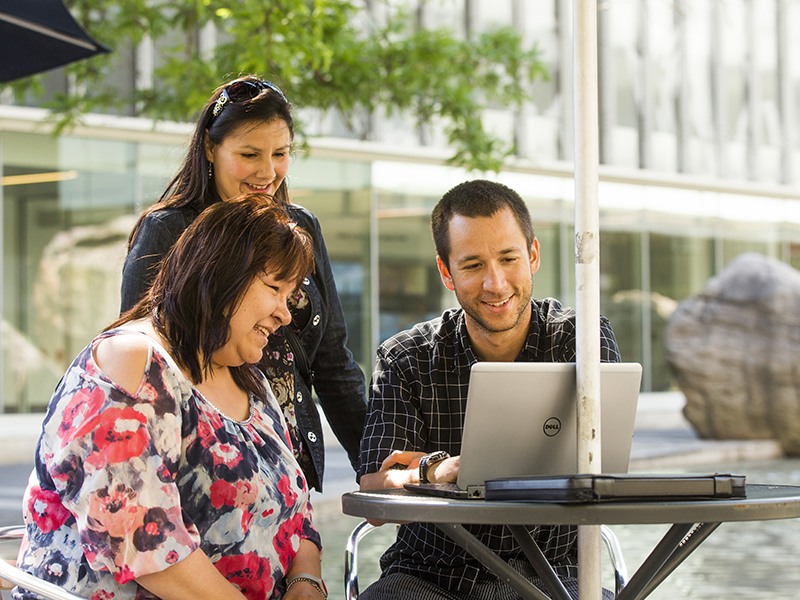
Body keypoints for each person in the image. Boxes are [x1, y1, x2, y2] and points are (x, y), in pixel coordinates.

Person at [15, 196, 328, 600]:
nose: (285, 314)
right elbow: (142, 542)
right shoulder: (131, 362)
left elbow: (296, 511)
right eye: (274, 288)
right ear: (219, 275)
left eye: (290, 296)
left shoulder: (251, 379)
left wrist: (307, 581)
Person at [357, 180, 621, 600]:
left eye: (508, 258)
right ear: (446, 272)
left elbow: (605, 469)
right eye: (473, 265)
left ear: (533, 255)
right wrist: (435, 471)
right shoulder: (405, 357)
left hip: (553, 578)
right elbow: (373, 490)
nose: (496, 284)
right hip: (428, 578)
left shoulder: (582, 341)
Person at [120, 75, 366, 492]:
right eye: (249, 154)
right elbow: (141, 363)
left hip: (291, 459)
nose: (267, 172)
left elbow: (332, 363)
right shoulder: (168, 231)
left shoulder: (299, 228)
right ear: (210, 149)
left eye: (281, 154)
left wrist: (375, 460)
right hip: (204, 464)